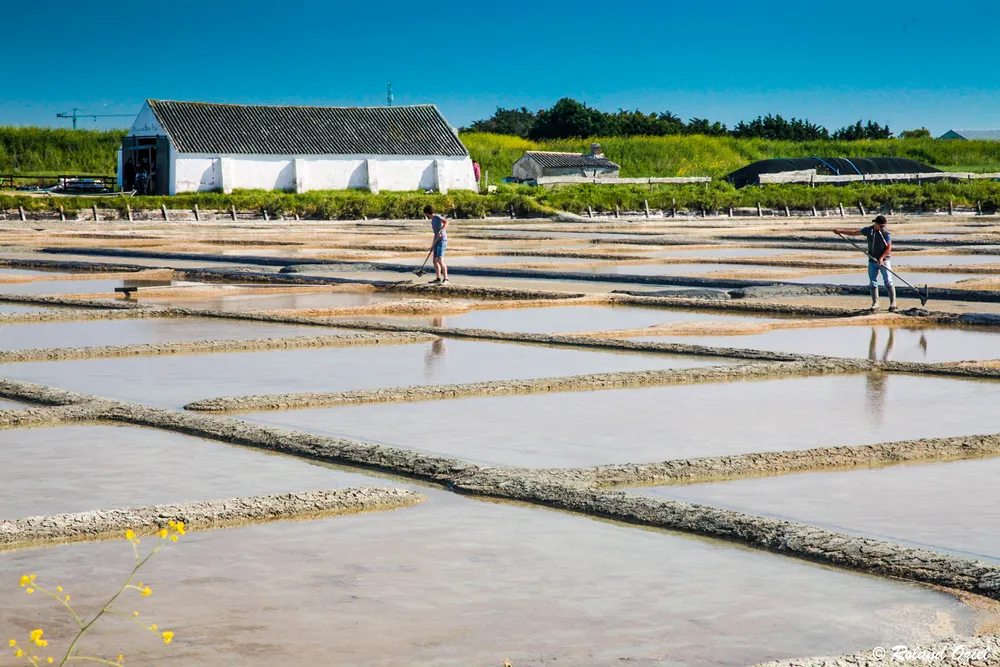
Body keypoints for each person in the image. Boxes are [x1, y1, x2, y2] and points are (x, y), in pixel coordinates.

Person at [833, 215, 896, 312]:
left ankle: (893, 304)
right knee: (873, 282)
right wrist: (840, 231)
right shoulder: (868, 230)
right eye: (881, 226)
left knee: (888, 281)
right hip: (872, 260)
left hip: (884, 261)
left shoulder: (886, 233)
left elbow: (889, 248)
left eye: (883, 226)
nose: (882, 227)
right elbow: (854, 233)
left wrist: (882, 258)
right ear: (876, 223)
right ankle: (875, 303)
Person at [423, 204, 449, 285]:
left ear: (427, 213)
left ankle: (446, 279)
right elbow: (435, 234)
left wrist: (441, 230)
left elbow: (446, 222)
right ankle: (438, 278)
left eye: (425, 214)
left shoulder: (437, 217)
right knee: (434, 260)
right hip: (437, 241)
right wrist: (432, 245)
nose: (425, 215)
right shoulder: (432, 221)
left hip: (442, 241)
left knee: (440, 260)